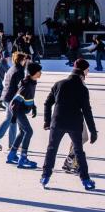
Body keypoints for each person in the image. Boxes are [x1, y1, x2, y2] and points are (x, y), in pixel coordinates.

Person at [41, 58, 97, 190]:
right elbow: (87, 111)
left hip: (58, 121)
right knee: (79, 152)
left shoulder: (59, 84)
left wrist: (47, 121)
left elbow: (47, 103)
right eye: (87, 70)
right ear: (83, 71)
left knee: (52, 149)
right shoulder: (82, 88)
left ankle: (45, 176)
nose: (88, 73)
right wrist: (93, 131)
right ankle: (86, 180)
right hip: (74, 124)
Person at [0, 52, 27, 151]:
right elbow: (21, 87)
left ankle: (12, 144)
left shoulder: (12, 68)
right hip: (11, 98)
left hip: (7, 97)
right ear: (21, 60)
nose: (26, 61)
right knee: (9, 119)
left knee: (13, 121)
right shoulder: (19, 70)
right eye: (25, 59)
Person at [5, 62, 42, 169]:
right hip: (17, 110)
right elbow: (16, 101)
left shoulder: (32, 82)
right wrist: (14, 116)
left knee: (22, 132)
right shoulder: (27, 85)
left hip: (20, 109)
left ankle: (12, 155)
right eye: (39, 71)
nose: (41, 73)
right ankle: (23, 158)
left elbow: (28, 97)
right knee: (29, 131)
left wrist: (33, 106)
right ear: (34, 73)